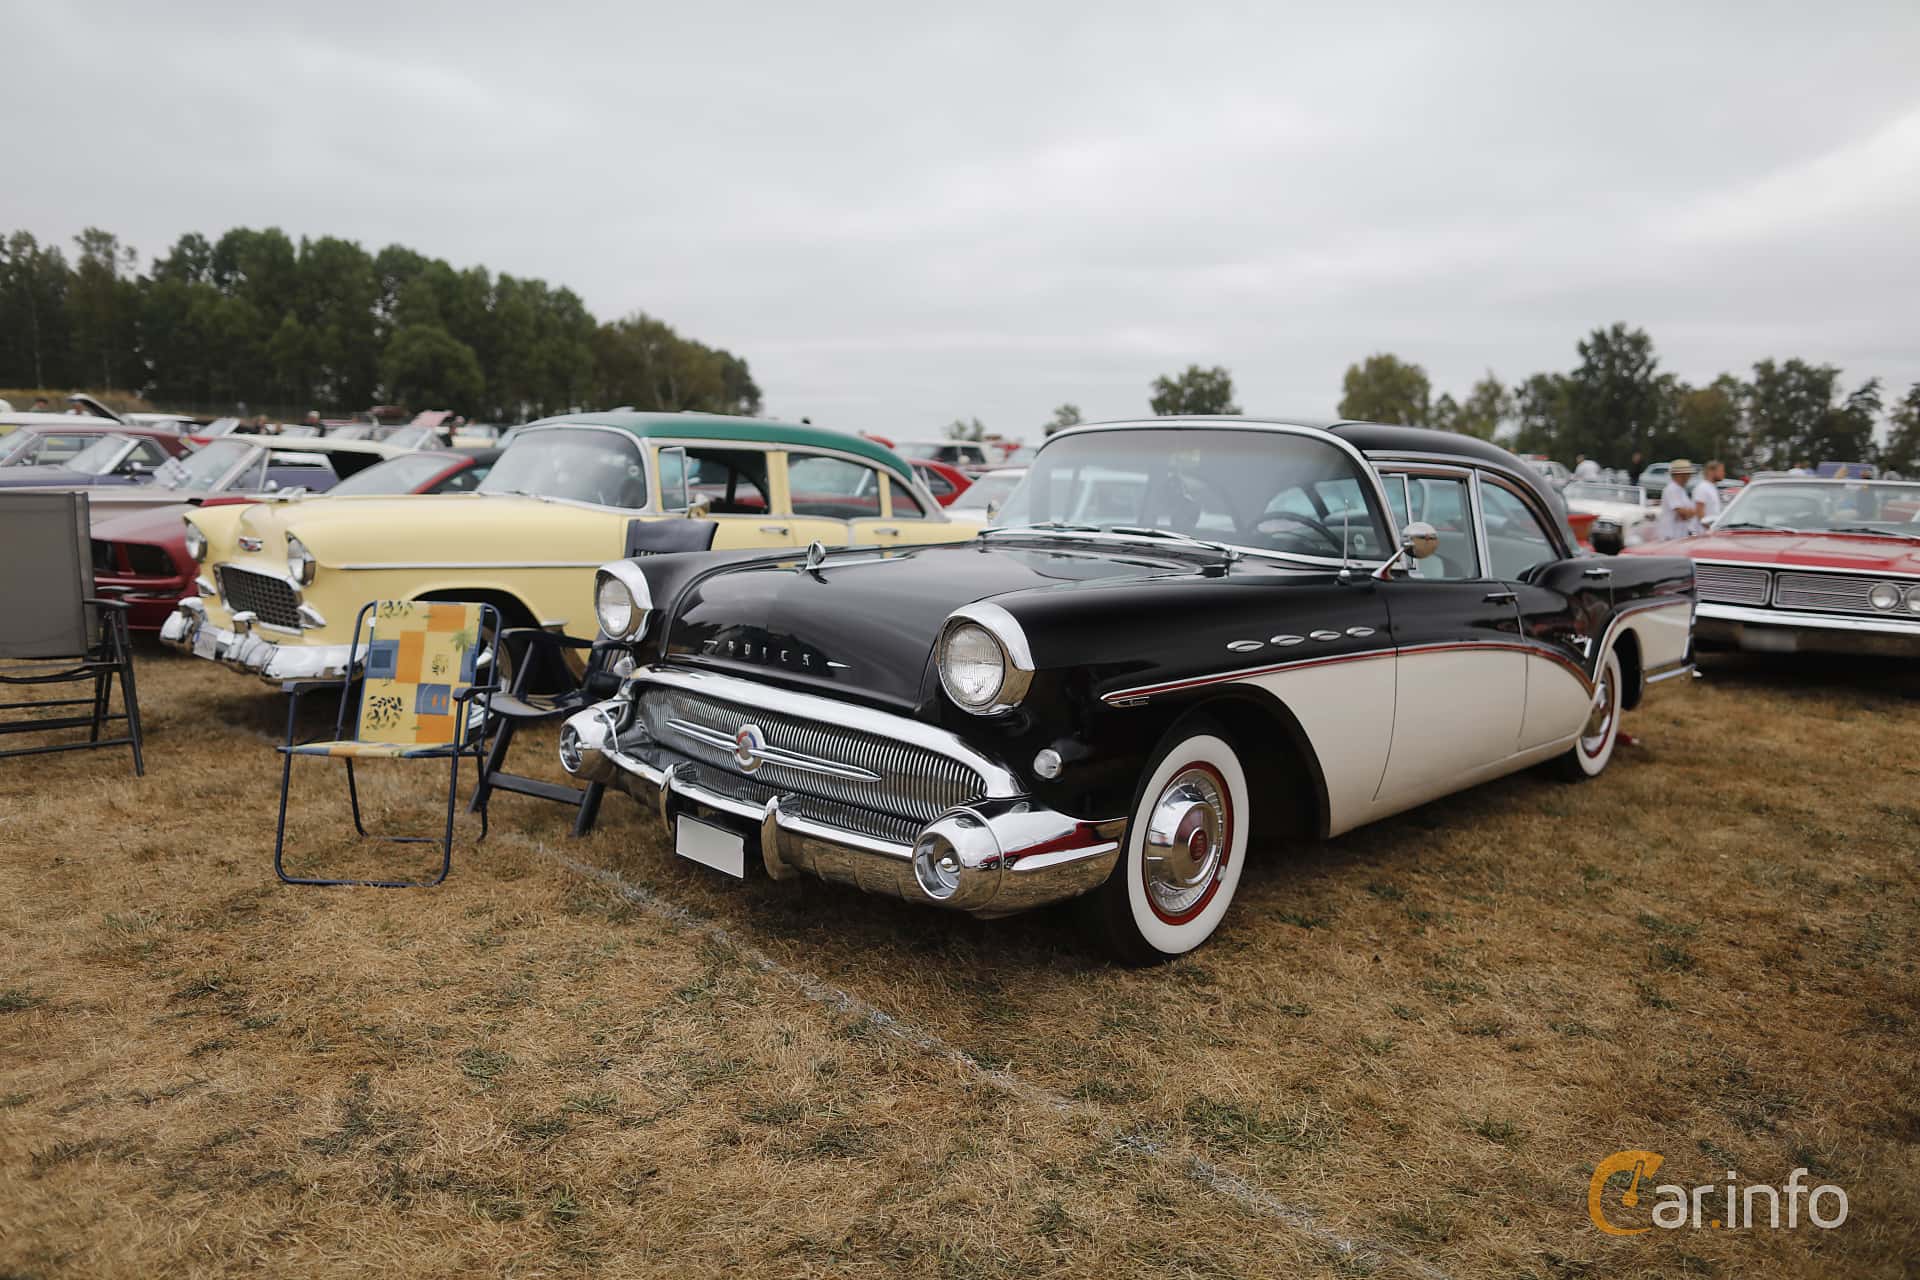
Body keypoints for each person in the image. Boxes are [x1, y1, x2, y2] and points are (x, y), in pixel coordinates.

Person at [1654, 459, 1700, 540]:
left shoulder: (1680, 489)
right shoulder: (1672, 489)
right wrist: (1693, 512)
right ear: (1680, 475)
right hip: (1670, 535)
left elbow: (1687, 513)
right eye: (1688, 474)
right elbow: (1682, 513)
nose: (1689, 477)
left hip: (1678, 534)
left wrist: (1691, 513)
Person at [1691, 461, 1725, 529]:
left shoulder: (1712, 487)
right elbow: (1699, 511)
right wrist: (1710, 528)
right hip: (1703, 532)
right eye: (1721, 471)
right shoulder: (1702, 488)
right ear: (1711, 471)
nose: (1723, 473)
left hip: (1712, 531)